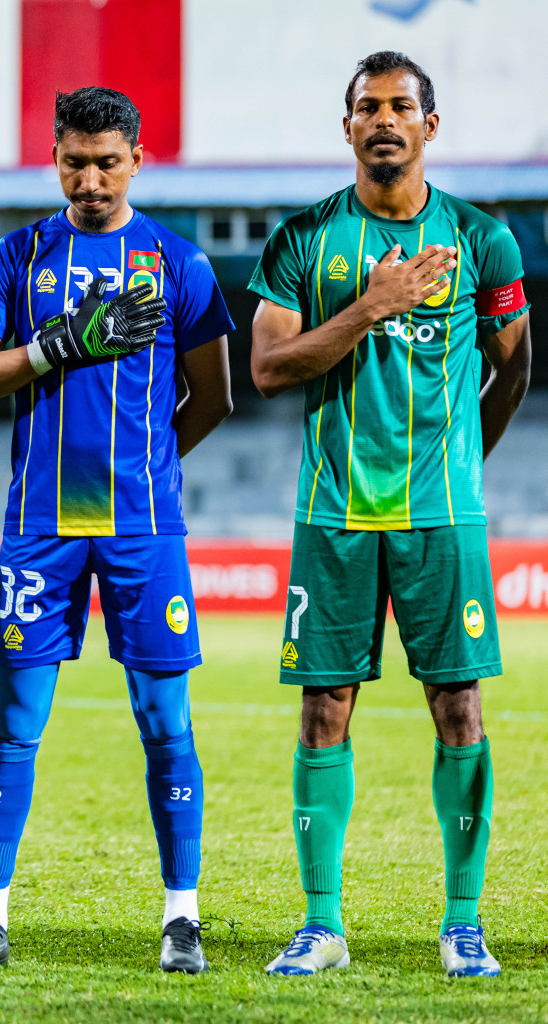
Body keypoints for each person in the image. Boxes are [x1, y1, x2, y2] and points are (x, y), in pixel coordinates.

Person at [251, 51, 529, 979]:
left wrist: (459, 463)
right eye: (367, 107)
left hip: (442, 516)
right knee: (324, 709)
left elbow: (513, 364)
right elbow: (268, 369)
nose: (383, 120)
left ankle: (463, 923)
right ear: (347, 128)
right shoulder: (301, 241)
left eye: (401, 106)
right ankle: (321, 924)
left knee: (459, 705)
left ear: (430, 126)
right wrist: (372, 307)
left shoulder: (484, 240)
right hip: (333, 515)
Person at [0, 86, 233, 974]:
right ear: (56, 158)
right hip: (42, 523)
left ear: (136, 160)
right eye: (75, 161)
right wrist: (61, 343)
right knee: (17, 721)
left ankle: (180, 919)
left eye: (108, 162)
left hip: (143, 525)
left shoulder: (178, 262)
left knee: (164, 722)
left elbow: (214, 395)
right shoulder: (19, 255)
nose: (91, 179)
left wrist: (145, 465)